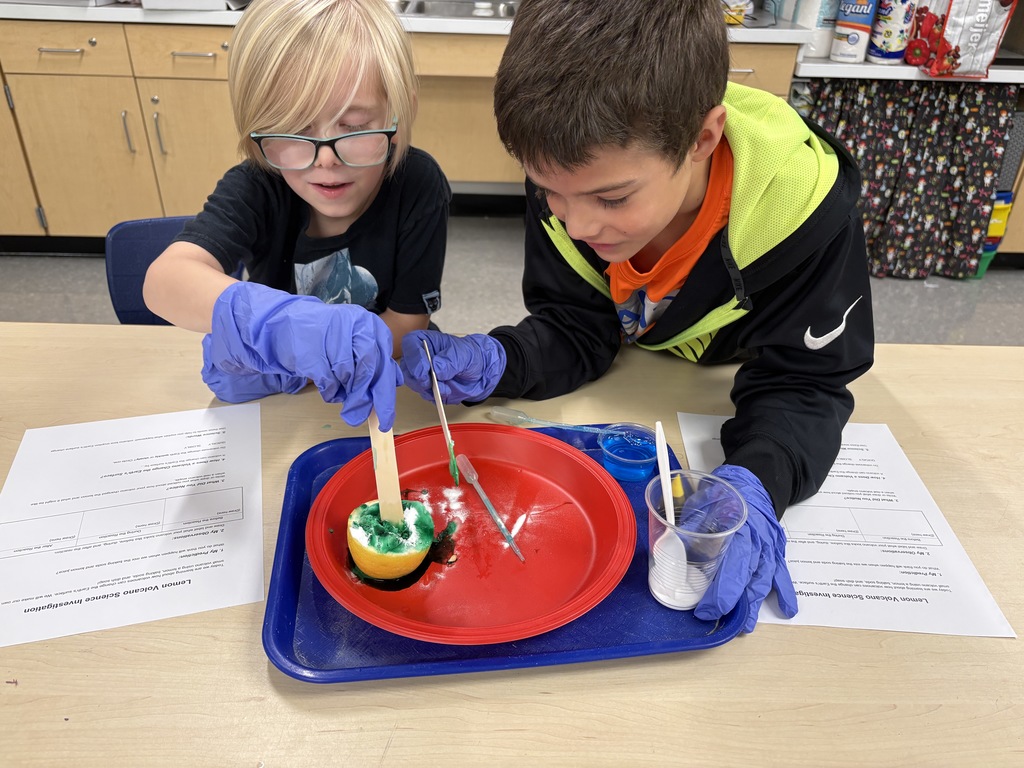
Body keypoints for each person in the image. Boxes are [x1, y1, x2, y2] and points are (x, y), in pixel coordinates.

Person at [400, 0, 875, 631]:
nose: (577, 224)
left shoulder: (804, 211)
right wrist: (504, 360)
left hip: (725, 380)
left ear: (704, 139)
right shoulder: (573, 170)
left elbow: (805, 382)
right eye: (548, 191)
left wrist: (759, 480)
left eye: (613, 198)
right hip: (641, 394)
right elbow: (577, 325)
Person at [143, 0, 451, 432]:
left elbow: (408, 320)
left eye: (353, 127)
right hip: (281, 405)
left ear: (399, 118)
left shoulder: (417, 184)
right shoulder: (259, 183)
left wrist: (342, 355)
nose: (325, 160)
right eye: (296, 130)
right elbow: (166, 281)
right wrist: (280, 328)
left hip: (378, 393)